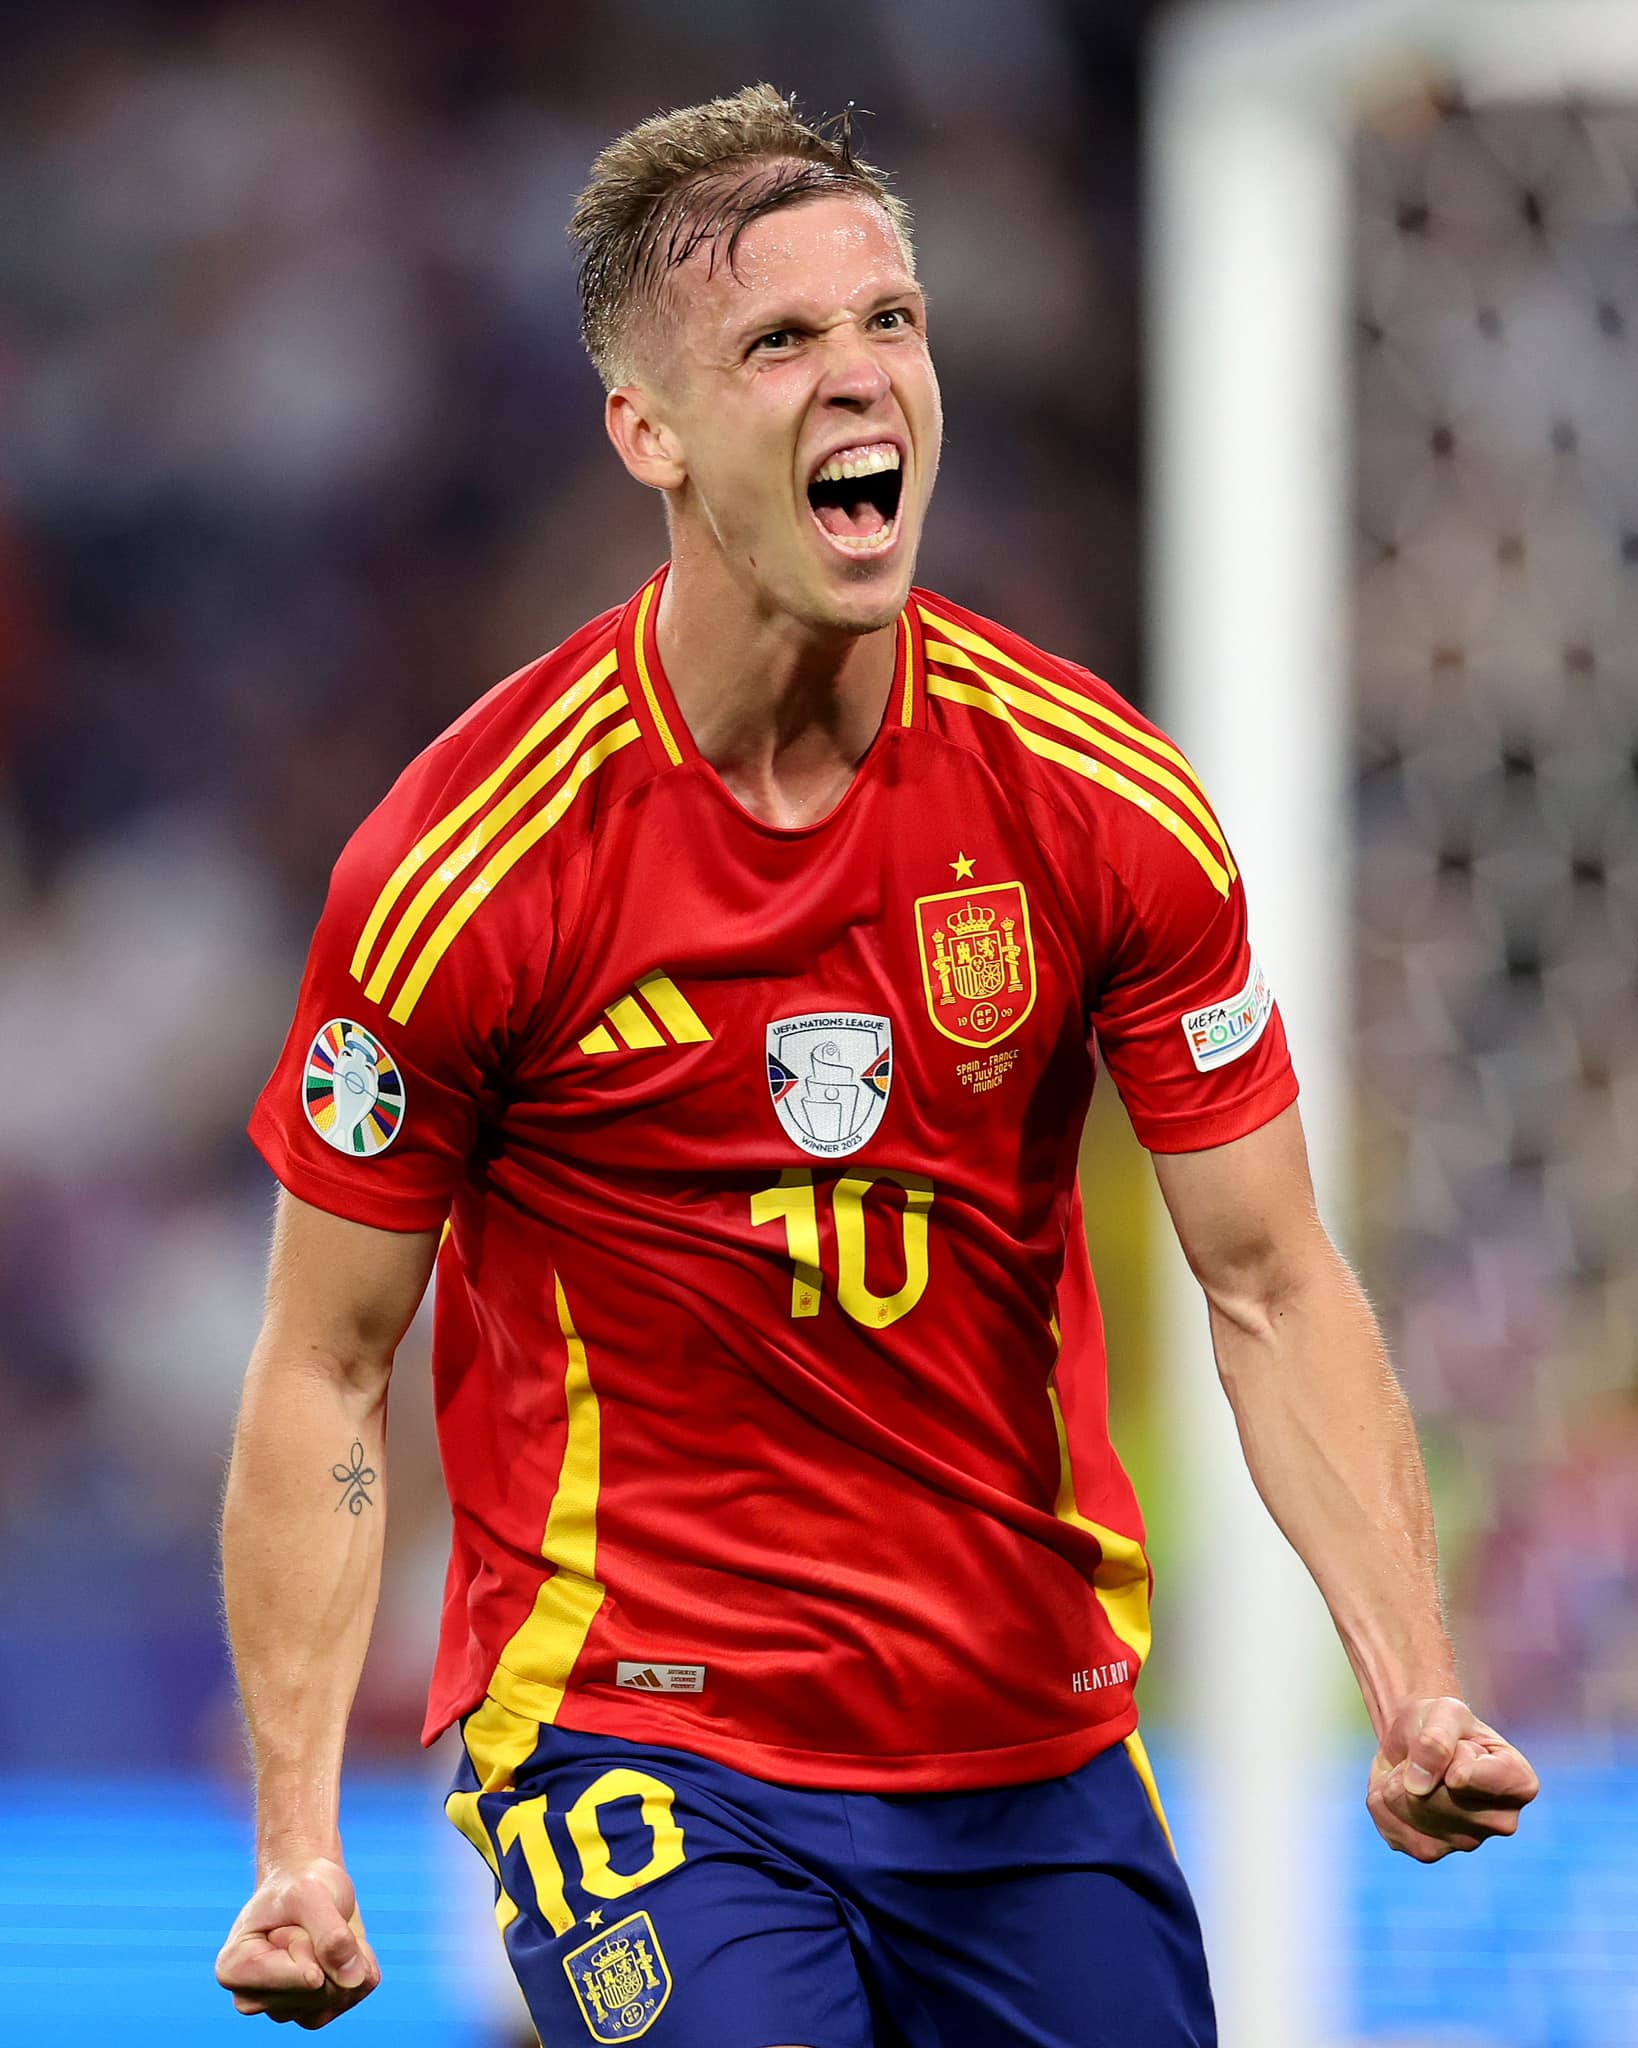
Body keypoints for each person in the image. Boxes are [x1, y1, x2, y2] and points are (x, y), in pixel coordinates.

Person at [215, 84, 1538, 2047]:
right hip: (641, 1739)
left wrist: (1416, 1678)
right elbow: (327, 1359)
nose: (861, 376)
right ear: (646, 432)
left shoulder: (1100, 803)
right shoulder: (466, 865)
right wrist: (300, 1836)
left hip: (1024, 1743)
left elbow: (1264, 1274)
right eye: (781, 339)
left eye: (892, 321)